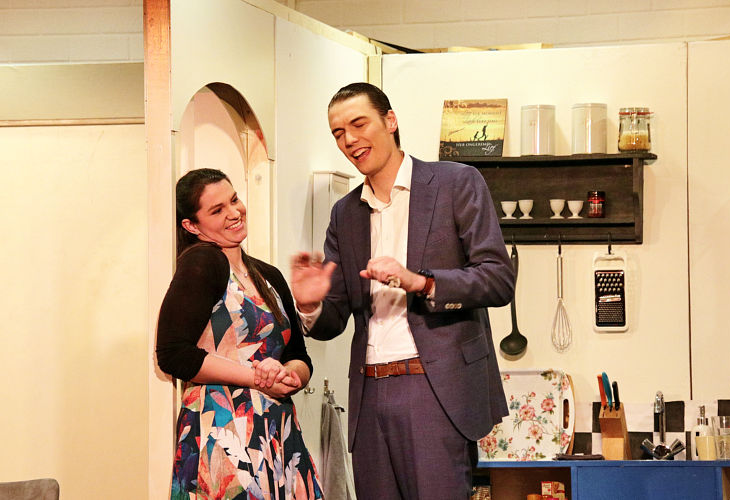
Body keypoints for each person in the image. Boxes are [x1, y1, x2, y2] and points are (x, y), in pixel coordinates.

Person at [290, 82, 515, 499]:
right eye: (338, 133)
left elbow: (498, 278)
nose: (349, 140)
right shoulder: (345, 213)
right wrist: (309, 305)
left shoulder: (455, 183)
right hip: (369, 393)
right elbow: (334, 319)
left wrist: (421, 282)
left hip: (434, 388)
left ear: (390, 121)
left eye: (359, 124)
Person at [156, 168, 322, 500]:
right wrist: (256, 378)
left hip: (276, 427)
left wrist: (288, 375)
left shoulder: (268, 274)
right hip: (223, 428)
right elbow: (173, 353)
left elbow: (298, 356)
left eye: (234, 200)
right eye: (217, 210)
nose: (234, 213)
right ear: (191, 226)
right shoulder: (202, 262)